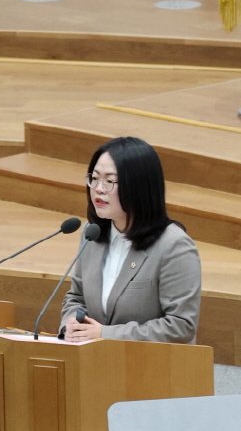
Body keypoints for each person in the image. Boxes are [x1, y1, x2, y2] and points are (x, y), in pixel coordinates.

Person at [61, 135, 201, 344]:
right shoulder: (93, 234)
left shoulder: (174, 246)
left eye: (109, 181)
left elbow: (181, 326)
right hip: (94, 359)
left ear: (139, 186)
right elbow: (76, 297)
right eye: (94, 178)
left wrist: (105, 334)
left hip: (151, 362)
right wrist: (71, 324)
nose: (98, 188)